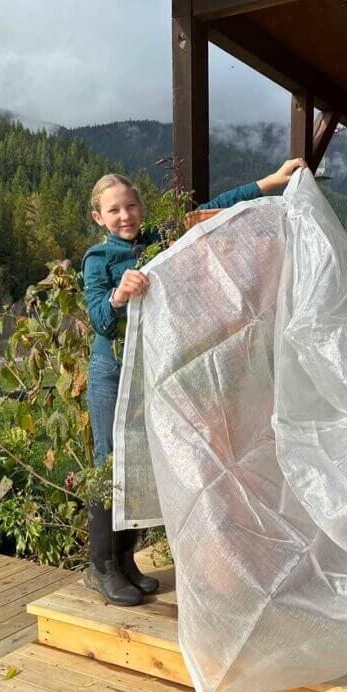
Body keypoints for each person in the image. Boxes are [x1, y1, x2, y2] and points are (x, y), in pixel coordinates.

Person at [82, 158, 307, 606]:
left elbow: (212, 210)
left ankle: (128, 562)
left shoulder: (156, 242)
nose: (125, 216)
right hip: (112, 373)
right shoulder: (98, 258)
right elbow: (100, 320)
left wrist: (270, 182)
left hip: (151, 372)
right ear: (98, 218)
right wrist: (120, 294)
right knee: (111, 464)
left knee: (142, 462)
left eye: (131, 206)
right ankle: (101, 566)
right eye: (114, 211)